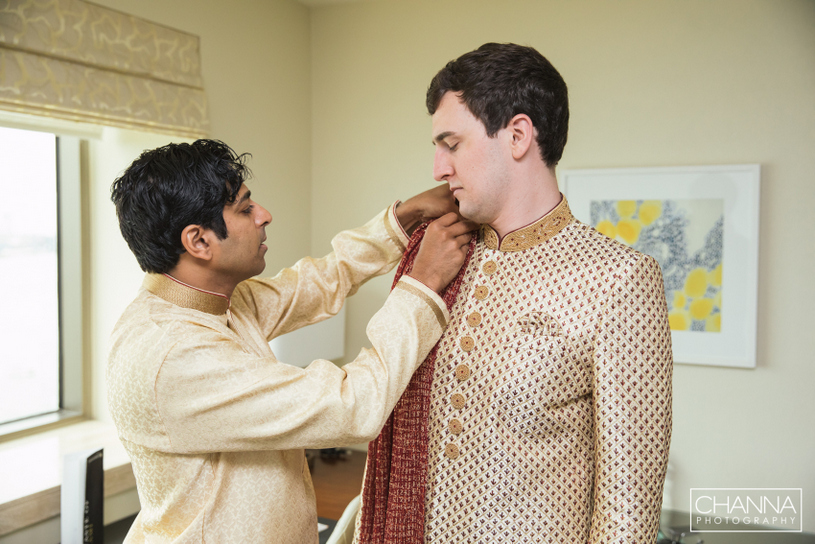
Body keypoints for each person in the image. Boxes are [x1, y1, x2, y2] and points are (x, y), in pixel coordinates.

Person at [356, 43, 673, 544]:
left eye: (452, 143)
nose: (438, 167)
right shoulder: (435, 261)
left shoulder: (619, 279)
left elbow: (626, 516)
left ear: (518, 135)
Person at [107, 139, 475, 543]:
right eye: (245, 209)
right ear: (198, 242)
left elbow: (317, 282)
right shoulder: (175, 355)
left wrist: (403, 219)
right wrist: (422, 284)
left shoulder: (211, 304)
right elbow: (353, 405)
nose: (264, 215)